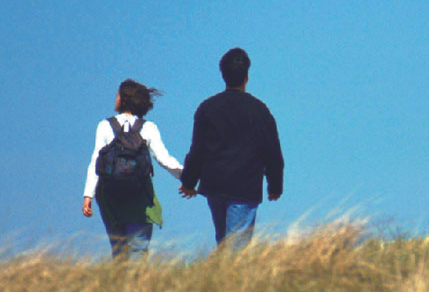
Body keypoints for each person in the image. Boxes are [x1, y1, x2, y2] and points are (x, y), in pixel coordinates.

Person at [179, 48, 284, 249]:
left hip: (215, 184)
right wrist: (275, 186)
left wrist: (189, 182)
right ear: (247, 77)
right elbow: (272, 152)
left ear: (223, 75)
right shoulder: (260, 110)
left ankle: (221, 270)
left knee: (223, 241)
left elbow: (198, 150)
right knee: (237, 248)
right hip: (245, 186)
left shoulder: (207, 108)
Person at [83, 79, 183, 259]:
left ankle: (120, 277)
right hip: (139, 197)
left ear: (124, 100)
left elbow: (95, 162)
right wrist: (187, 178)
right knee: (138, 250)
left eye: (117, 96)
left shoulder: (105, 125)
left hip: (110, 196)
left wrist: (88, 194)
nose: (115, 99)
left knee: (119, 251)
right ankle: (137, 278)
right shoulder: (148, 128)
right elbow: (164, 159)